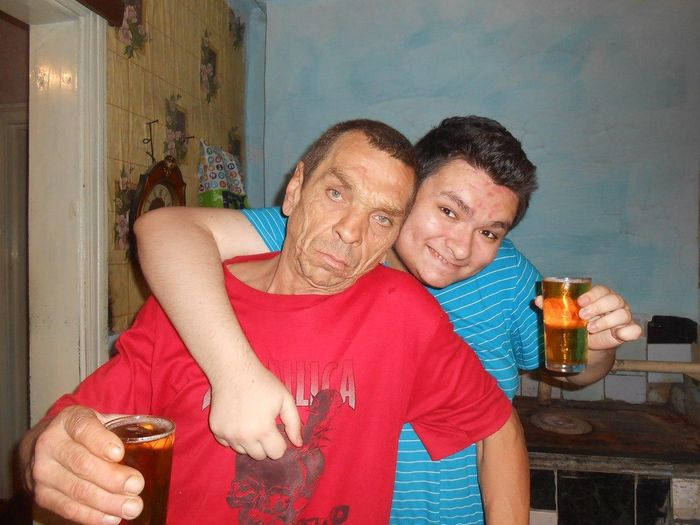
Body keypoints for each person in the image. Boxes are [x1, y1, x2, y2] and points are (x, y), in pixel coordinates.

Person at [133, 115, 642, 524]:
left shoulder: (507, 277)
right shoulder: (330, 236)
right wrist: (234, 375)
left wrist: (598, 346)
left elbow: (562, 378)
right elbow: (166, 232)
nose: (460, 246)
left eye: (490, 231)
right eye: (448, 211)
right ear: (406, 193)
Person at [19, 119, 529, 525]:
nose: (351, 232)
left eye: (382, 218)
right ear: (295, 189)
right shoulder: (190, 300)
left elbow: (494, 422)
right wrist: (46, 454)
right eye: (337, 194)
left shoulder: (404, 314)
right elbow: (53, 436)